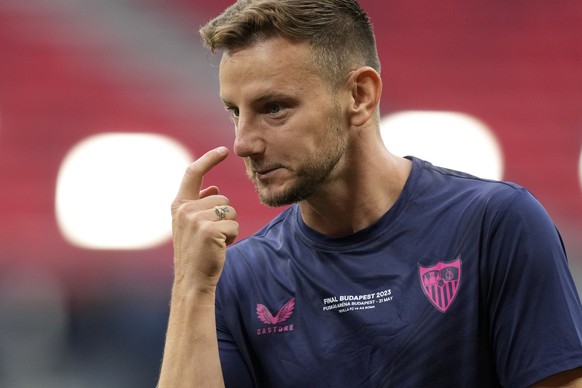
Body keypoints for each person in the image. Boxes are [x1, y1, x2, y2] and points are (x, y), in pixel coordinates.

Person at [157, 0, 582, 386]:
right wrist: (190, 285)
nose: (243, 143)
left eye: (273, 108)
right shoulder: (237, 277)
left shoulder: (494, 224)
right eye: (235, 112)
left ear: (359, 96)